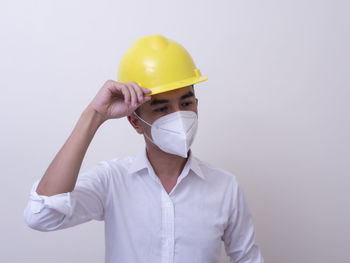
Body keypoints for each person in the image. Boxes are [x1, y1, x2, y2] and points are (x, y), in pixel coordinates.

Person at [24, 34, 264, 263]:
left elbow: (248, 259)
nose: (179, 116)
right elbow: (41, 216)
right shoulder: (112, 180)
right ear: (136, 122)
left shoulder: (225, 187)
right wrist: (94, 115)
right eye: (162, 108)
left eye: (186, 103)